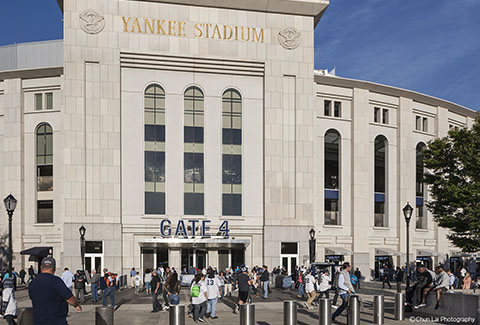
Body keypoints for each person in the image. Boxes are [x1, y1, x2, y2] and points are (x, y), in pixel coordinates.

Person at [28, 257, 82, 324]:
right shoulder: (56, 281)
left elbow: (32, 298)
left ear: (41, 267)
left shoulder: (32, 283)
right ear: (54, 268)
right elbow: (69, 298)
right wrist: (76, 305)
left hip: (38, 321)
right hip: (56, 321)